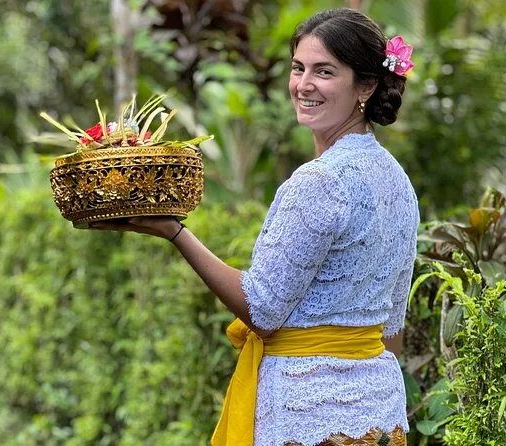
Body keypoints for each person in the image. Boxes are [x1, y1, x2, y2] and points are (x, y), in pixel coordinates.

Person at [91, 7, 419, 446]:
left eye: (324, 71)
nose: (304, 84)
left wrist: (175, 232)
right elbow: (391, 328)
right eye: (298, 68)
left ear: (366, 85)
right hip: (379, 412)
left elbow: (261, 310)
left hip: (307, 413)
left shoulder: (319, 181)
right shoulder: (398, 181)